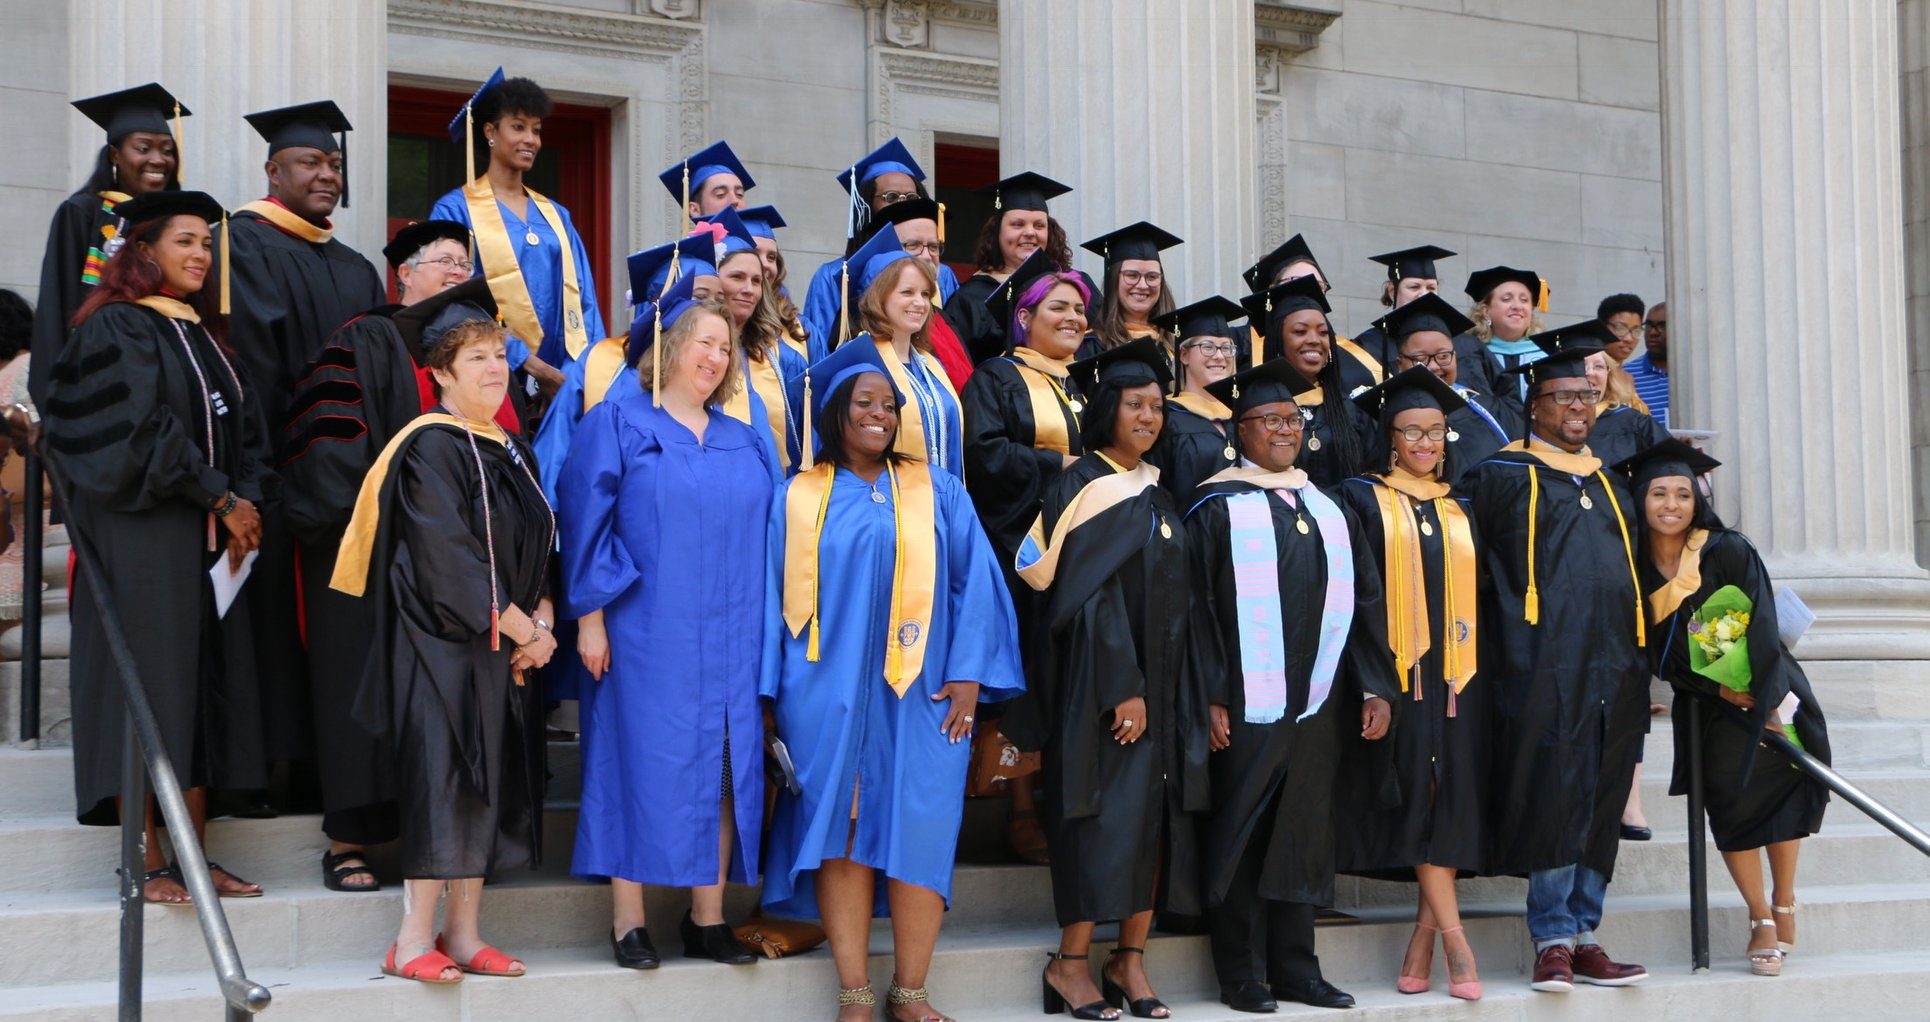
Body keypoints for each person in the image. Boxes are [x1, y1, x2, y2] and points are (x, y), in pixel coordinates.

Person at [760, 339, 1024, 1022]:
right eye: (863, 403)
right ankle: (853, 994)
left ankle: (910, 992)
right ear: (835, 414)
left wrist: (970, 674)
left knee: (922, 828)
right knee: (842, 832)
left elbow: (977, 587)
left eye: (889, 405)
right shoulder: (797, 496)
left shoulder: (938, 489)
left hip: (928, 694)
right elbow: (767, 601)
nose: (879, 414)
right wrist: (767, 698)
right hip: (825, 694)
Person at [45, 191, 269, 902]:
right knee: (147, 682)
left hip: (204, 538)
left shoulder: (203, 335)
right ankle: (143, 858)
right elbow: (137, 433)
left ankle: (192, 856)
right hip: (142, 534)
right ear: (141, 251)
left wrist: (249, 497)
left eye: (207, 243)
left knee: (199, 688)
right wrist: (220, 497)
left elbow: (246, 430)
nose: (202, 254)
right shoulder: (115, 328)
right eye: (185, 242)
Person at [280, 221, 507, 894]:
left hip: (457, 568)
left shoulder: (482, 357)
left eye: (465, 263)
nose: (455, 271)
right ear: (402, 275)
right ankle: (349, 841)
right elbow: (330, 443)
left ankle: (443, 847)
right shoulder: (361, 339)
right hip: (376, 556)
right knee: (365, 690)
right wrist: (397, 527)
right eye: (443, 262)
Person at [329, 316, 555, 984]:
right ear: (442, 374)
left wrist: (540, 611)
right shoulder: (430, 447)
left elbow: (542, 540)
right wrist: (527, 632)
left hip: (502, 643)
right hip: (439, 644)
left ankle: (463, 933)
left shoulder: (512, 447)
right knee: (444, 777)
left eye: (500, 357)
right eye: (477, 357)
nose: (494, 368)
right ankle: (408, 939)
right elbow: (447, 562)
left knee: (489, 781)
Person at [559, 293, 771, 969]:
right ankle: (630, 921)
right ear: (671, 346)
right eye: (704, 342)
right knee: (635, 761)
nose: (715, 357)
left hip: (735, 631)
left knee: (728, 769)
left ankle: (706, 919)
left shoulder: (745, 436)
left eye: (725, 346)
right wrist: (590, 622)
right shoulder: (618, 422)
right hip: (647, 629)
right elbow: (585, 522)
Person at [1004, 338, 1208, 1021]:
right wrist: (1124, 684)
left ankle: (1130, 959)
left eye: (1157, 406)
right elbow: (1085, 599)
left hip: (1165, 690)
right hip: (1102, 691)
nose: (1148, 416)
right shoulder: (1084, 485)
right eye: (1135, 405)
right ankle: (1070, 963)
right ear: (1107, 411)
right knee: (1102, 821)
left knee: (1151, 823)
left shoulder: (1156, 488)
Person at [1187, 357, 1397, 1013]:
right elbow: (1199, 614)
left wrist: (1374, 686)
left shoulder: (1329, 506)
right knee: (1243, 832)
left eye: (1291, 419)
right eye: (1268, 420)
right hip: (1247, 706)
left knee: (1304, 833)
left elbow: (1365, 601)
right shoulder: (1213, 507)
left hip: (1318, 705)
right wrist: (1213, 695)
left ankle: (1297, 969)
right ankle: (1241, 972)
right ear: (1238, 431)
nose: (1284, 430)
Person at [1460, 326, 1650, 994]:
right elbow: (1474, 575)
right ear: (1534, 406)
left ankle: (1588, 932)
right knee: (1553, 793)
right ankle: (1553, 937)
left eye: (1585, 396)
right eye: (1562, 397)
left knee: (1600, 798)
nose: (1577, 407)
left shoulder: (1613, 486)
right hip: (1539, 668)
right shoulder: (1502, 477)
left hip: (1615, 671)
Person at [1623, 439, 1830, 977]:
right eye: (1659, 493)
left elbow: (1758, 624)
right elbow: (1653, 651)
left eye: (1683, 495)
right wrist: (1719, 690)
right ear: (1641, 500)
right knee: (1732, 808)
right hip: (1706, 704)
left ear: (1697, 502)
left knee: (1781, 792)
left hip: (1768, 693)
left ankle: (1784, 899)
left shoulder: (1725, 549)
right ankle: (1759, 916)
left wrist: (1761, 702)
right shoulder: (1632, 568)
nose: (1671, 504)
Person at [228, 99, 386, 779]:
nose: (327, 174)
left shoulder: (356, 265)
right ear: (273, 168)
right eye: (311, 162)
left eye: (335, 163)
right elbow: (250, 368)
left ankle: (331, 767)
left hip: (350, 482)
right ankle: (275, 770)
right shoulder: (244, 243)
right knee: (269, 623)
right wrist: (260, 472)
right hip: (276, 475)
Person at [1336, 367, 1489, 1002]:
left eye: (1437, 431)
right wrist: (1373, 682)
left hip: (1460, 679)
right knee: (1422, 794)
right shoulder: (1361, 498)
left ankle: (1422, 940)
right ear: (1390, 438)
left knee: (1447, 799)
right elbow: (1356, 596)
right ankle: (1457, 942)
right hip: (1399, 679)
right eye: (1413, 432)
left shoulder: (1461, 506)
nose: (1427, 442)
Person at [959, 254, 1087, 864]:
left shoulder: (1090, 380)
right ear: (1025, 316)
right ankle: (1022, 809)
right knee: (1027, 678)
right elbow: (983, 454)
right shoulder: (996, 378)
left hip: (1087, 551)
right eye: (1057, 307)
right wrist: (1054, 467)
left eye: (1080, 309)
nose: (1072, 317)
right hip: (1021, 547)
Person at [431, 69, 597, 380]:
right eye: (518, 127)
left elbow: (585, 301)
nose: (530, 140)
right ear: (490, 131)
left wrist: (583, 375)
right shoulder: (456, 209)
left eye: (536, 130)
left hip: (563, 378)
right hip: (490, 372)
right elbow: (455, 299)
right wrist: (531, 366)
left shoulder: (556, 215)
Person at [30, 83, 188, 403]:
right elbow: (57, 305)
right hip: (95, 377)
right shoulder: (83, 214)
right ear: (116, 154)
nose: (158, 159)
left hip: (165, 378)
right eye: (144, 148)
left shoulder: (178, 225)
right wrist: (52, 398)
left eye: (167, 150)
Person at [801, 138, 963, 352]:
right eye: (891, 197)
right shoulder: (836, 275)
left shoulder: (943, 275)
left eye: (912, 196)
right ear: (867, 206)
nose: (904, 203)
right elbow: (820, 348)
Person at [832, 227, 965, 477]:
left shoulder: (931, 365)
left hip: (945, 500)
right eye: (907, 292)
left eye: (925, 294)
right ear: (878, 297)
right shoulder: (860, 365)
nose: (921, 303)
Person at [807, 198, 975, 388]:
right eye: (913, 245)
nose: (928, 256)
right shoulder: (857, 319)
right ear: (887, 252)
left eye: (934, 247)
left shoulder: (942, 319)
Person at [1237, 275, 1373, 488]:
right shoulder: (1256, 410)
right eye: (1300, 331)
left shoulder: (1351, 410)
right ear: (1278, 340)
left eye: (1323, 332)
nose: (1314, 340)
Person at [1376, 294, 1519, 486]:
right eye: (1420, 359)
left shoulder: (1487, 410)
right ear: (1400, 364)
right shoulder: (1383, 417)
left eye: (1443, 356)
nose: (1434, 366)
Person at [954, 172, 1078, 362]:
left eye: (1039, 225)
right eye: (1017, 224)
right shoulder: (970, 298)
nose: (1030, 232)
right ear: (997, 232)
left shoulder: (1072, 288)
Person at [1241, 234, 1380, 389]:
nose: (1310, 288)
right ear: (1272, 288)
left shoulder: (1347, 353)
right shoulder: (1241, 344)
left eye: (1319, 285)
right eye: (1298, 280)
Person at [1146, 296, 1245, 500]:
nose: (1219, 356)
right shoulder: (1165, 418)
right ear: (1184, 355)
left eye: (1226, 348)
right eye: (1208, 347)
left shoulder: (1244, 414)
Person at [1078, 222, 1182, 360]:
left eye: (1152, 277)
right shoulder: (1092, 346)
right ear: (1114, 280)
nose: (1143, 285)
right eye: (1132, 276)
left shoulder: (1177, 348)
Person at [1348, 245, 1456, 373]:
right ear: (1392, 291)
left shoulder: (1454, 342)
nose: (1424, 294)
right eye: (1414, 287)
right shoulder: (1369, 345)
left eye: (1431, 288)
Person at [1461, 266, 1547, 405]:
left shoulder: (1546, 357)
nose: (1517, 306)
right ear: (1486, 311)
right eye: (1507, 299)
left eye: (1524, 300)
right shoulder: (1472, 356)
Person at [1584, 344, 1668, 472]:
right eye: (1581, 365)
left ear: (1608, 375)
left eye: (1598, 366)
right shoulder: (1550, 425)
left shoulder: (1637, 424)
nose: (1589, 372)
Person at [661, 138, 755, 218]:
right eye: (720, 194)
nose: (735, 201)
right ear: (694, 210)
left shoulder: (764, 238)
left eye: (739, 194)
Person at [1596, 293, 1649, 414]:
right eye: (1620, 328)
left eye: (1636, 330)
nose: (1629, 338)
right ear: (1601, 327)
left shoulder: (1629, 377)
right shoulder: (1592, 374)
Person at [1624, 301, 1670, 429]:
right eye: (1649, 325)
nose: (1653, 332)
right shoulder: (1626, 375)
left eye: (1662, 326)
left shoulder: (1694, 373)